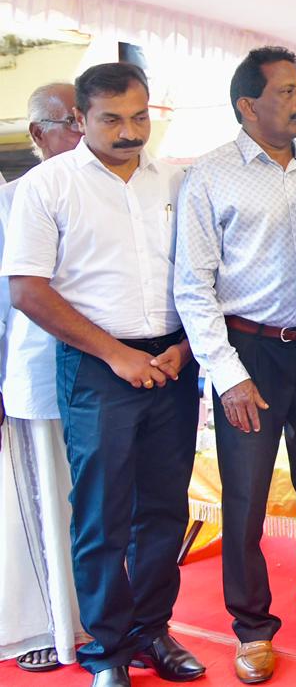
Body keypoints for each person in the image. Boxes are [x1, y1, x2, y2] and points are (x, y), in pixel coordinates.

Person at [174, 46, 296, 683]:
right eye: (287, 92)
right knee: (244, 498)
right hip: (249, 356)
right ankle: (252, 628)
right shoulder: (209, 176)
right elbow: (193, 286)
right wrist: (227, 374)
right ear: (247, 105)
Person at [3, 62, 204, 687]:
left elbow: (203, 274)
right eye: (112, 119)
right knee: (101, 514)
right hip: (97, 365)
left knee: (164, 509)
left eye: (139, 117)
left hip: (172, 363)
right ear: (80, 118)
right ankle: (109, 651)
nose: (129, 132)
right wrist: (116, 354)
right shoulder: (48, 185)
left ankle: (153, 632)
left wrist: (186, 349)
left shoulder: (175, 181)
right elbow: (27, 290)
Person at [0, 83, 85, 674]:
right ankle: (44, 625)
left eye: (86, 118)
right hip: (33, 373)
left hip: (104, 374)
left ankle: (100, 618)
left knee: (99, 506)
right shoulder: (11, 200)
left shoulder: (104, 190)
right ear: (37, 134)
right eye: (70, 122)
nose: (83, 132)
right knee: (41, 502)